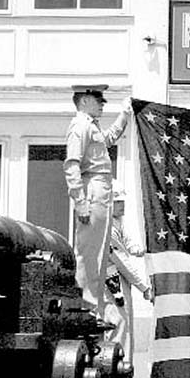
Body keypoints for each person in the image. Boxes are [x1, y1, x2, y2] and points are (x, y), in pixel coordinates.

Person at [63, 84, 132, 321]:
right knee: (89, 253)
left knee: (100, 253)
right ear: (84, 101)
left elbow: (109, 140)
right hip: (92, 190)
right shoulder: (79, 126)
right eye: (98, 99)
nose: (103, 103)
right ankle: (85, 307)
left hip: (101, 190)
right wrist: (80, 201)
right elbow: (72, 165)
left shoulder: (91, 126)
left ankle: (93, 307)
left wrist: (125, 114)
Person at [104, 180, 153, 378]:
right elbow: (121, 261)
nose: (122, 205)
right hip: (112, 283)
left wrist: (136, 248)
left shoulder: (116, 224)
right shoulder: (106, 228)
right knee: (119, 330)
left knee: (123, 330)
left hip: (116, 281)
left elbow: (127, 245)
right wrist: (144, 286)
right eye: (118, 201)